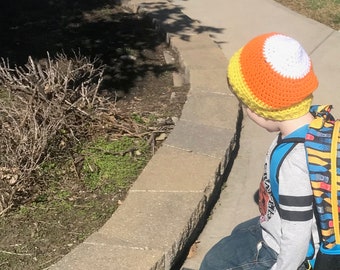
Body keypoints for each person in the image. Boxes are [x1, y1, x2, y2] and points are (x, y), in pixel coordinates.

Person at [200, 32, 321, 270]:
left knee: (214, 263)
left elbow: (297, 235)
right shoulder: (315, 125)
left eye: (246, 104)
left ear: (261, 109)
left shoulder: (295, 162)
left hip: (280, 253)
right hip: (272, 225)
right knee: (238, 234)